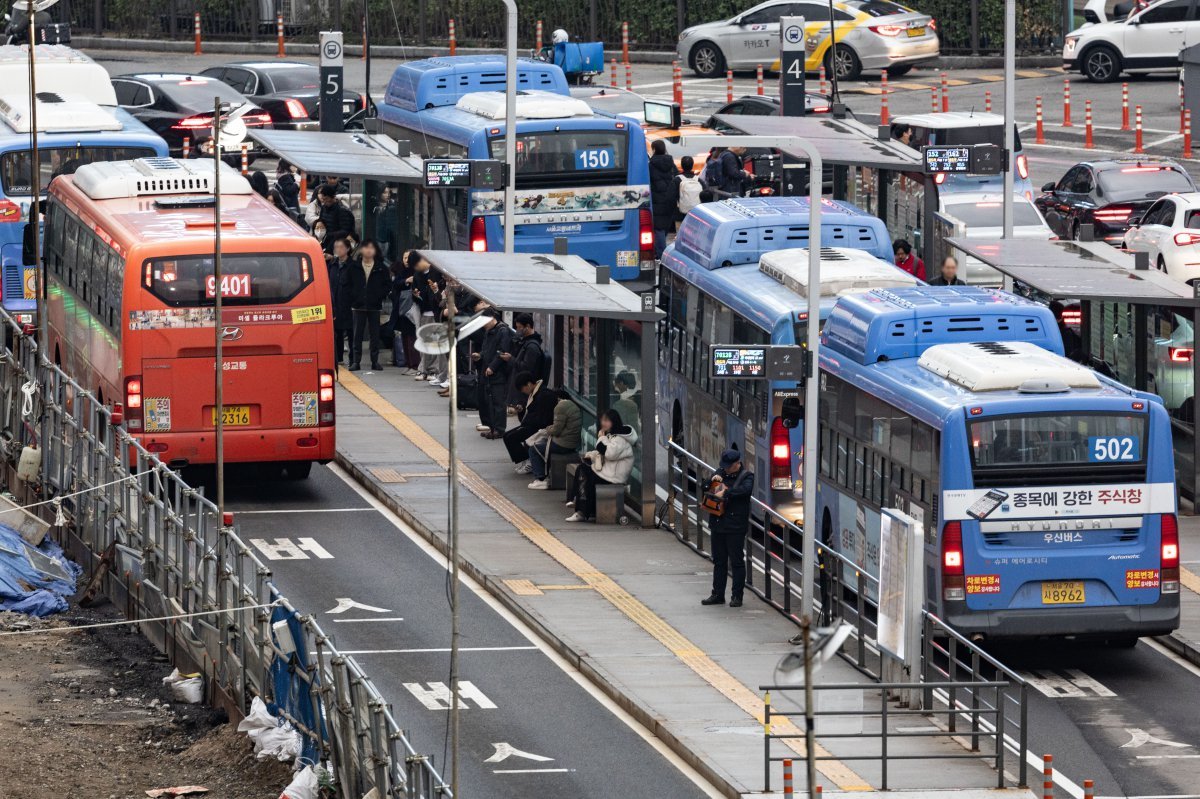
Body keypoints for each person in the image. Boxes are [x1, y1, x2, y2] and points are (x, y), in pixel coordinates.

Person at [701, 448, 755, 607]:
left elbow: (744, 491)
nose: (725, 469)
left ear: (737, 463)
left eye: (728, 466)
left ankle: (737, 596)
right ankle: (717, 594)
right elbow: (704, 486)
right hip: (718, 523)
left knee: (737, 562)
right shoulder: (720, 472)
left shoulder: (746, 476)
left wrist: (725, 492)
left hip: (735, 526)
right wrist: (711, 481)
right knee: (719, 561)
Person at [566, 409, 638, 522]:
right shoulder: (613, 435)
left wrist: (601, 438)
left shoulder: (621, 439)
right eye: (602, 420)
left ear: (614, 422)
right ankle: (580, 504)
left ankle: (581, 509)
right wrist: (591, 455)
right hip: (608, 473)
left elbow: (609, 454)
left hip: (614, 477)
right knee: (583, 469)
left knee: (584, 472)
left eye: (606, 420)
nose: (603, 423)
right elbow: (603, 452)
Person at [346, 239, 391, 371]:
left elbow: (387, 285)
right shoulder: (354, 266)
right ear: (361, 250)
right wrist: (354, 297)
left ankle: (375, 361)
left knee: (374, 335)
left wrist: (378, 296)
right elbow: (347, 284)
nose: (369, 250)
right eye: (366, 247)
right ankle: (356, 361)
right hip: (357, 305)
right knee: (357, 335)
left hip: (374, 306)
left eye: (372, 247)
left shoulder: (381, 267)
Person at [503, 371, 558, 471]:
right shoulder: (535, 393)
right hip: (532, 423)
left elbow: (543, 417)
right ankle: (525, 459)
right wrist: (522, 410)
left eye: (522, 389)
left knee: (511, 438)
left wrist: (526, 422)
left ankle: (528, 461)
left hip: (539, 426)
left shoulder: (544, 394)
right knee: (506, 436)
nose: (523, 392)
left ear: (528, 384)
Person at [527, 388, 581, 490]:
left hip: (563, 444)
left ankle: (540, 479)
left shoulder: (560, 407)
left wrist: (548, 429)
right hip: (572, 442)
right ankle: (544, 475)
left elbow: (556, 430)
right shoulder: (571, 404)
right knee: (542, 444)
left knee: (533, 449)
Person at [472, 309, 514, 439]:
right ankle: (491, 427)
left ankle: (499, 429)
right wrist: (479, 356)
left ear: (491, 318)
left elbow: (502, 352)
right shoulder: (489, 331)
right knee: (487, 400)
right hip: (486, 370)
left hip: (498, 372)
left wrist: (492, 367)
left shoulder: (503, 331)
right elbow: (486, 349)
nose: (484, 326)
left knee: (498, 401)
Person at [409, 252, 447, 383]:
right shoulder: (417, 275)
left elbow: (439, 292)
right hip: (424, 312)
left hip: (437, 312)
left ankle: (433, 370)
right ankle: (424, 369)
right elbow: (415, 293)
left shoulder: (436, 271)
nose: (416, 268)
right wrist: (416, 294)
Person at [503, 313, 545, 409]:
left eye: (520, 327)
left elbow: (526, 368)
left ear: (528, 326)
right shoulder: (525, 342)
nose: (518, 330)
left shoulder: (532, 347)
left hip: (525, 390)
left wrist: (511, 359)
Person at [649, 139, 679, 258]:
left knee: (658, 229)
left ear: (654, 149)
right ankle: (660, 250)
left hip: (657, 200)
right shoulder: (671, 163)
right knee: (665, 226)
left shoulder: (651, 165)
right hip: (670, 199)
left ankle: (662, 255)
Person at [328, 236, 356, 365]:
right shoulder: (332, 265)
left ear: (348, 249)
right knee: (337, 332)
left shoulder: (353, 266)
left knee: (351, 333)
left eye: (341, 247)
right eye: (336, 247)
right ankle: (338, 358)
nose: (338, 250)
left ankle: (353, 358)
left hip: (349, 304)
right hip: (335, 303)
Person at [611, 370, 640, 436]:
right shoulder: (615, 395)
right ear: (621, 383)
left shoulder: (614, 392)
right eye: (626, 386)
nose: (626, 389)